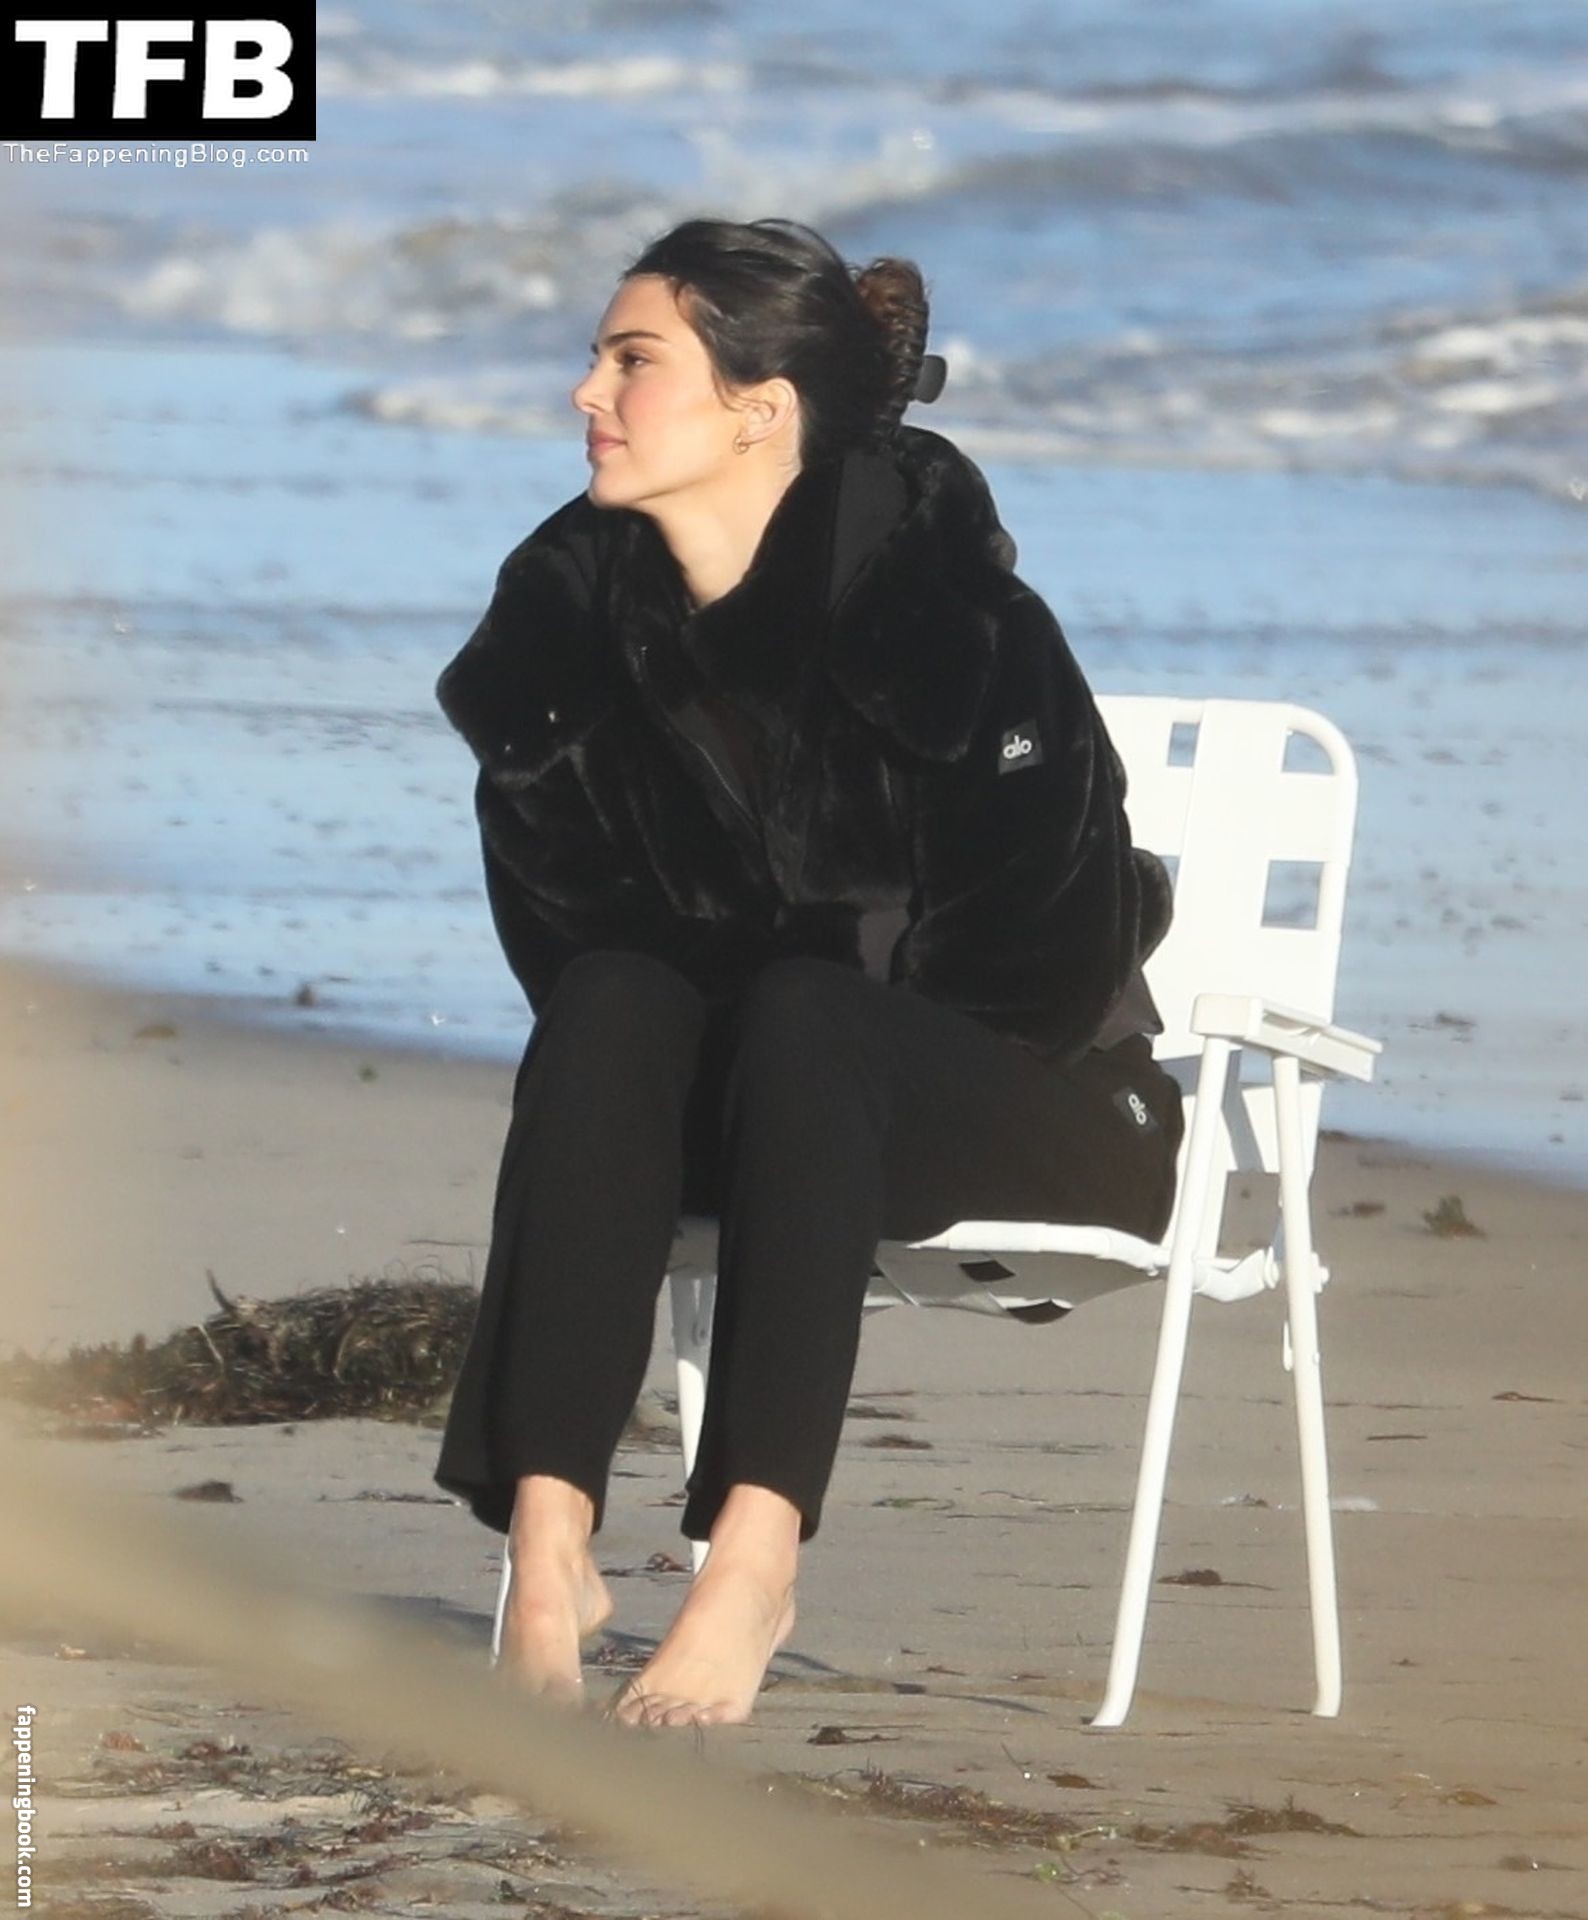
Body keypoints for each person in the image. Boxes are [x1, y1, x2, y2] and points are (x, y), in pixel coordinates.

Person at [431, 216, 1183, 1729]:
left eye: (633, 361)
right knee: (611, 1002)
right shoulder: (570, 631)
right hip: (766, 1111)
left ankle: (755, 1557)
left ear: (760, 410)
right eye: (596, 358)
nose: (587, 392)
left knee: (803, 1013)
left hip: (1039, 1109)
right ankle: (550, 1538)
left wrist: (791, 995)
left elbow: (1045, 964)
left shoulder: (954, 625)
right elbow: (567, 944)